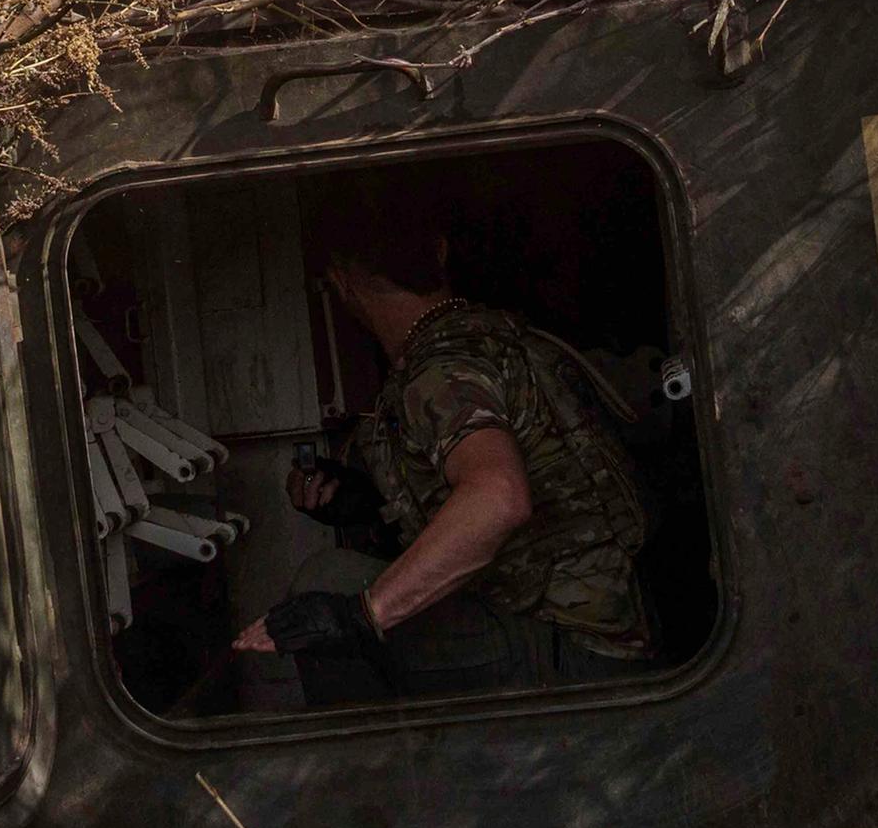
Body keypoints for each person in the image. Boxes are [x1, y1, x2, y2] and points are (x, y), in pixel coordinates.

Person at [232, 225, 653, 697]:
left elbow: (499, 498)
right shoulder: (489, 337)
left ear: (341, 283)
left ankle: (364, 768)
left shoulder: (440, 368)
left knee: (326, 579)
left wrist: (362, 615)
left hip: (565, 649)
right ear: (439, 250)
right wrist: (367, 502)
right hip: (593, 630)